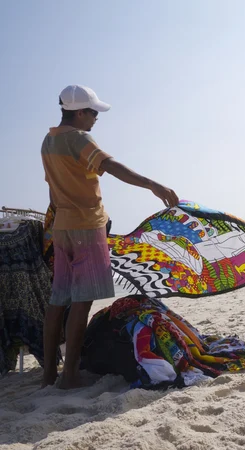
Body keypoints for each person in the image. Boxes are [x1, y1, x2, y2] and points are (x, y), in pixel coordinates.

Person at [41, 85, 179, 389]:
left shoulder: (48, 141)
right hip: (86, 225)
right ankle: (70, 376)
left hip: (61, 227)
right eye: (92, 112)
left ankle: (48, 373)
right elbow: (111, 166)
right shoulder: (78, 138)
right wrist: (153, 185)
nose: (95, 118)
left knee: (57, 300)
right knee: (81, 302)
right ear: (78, 112)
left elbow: (52, 188)